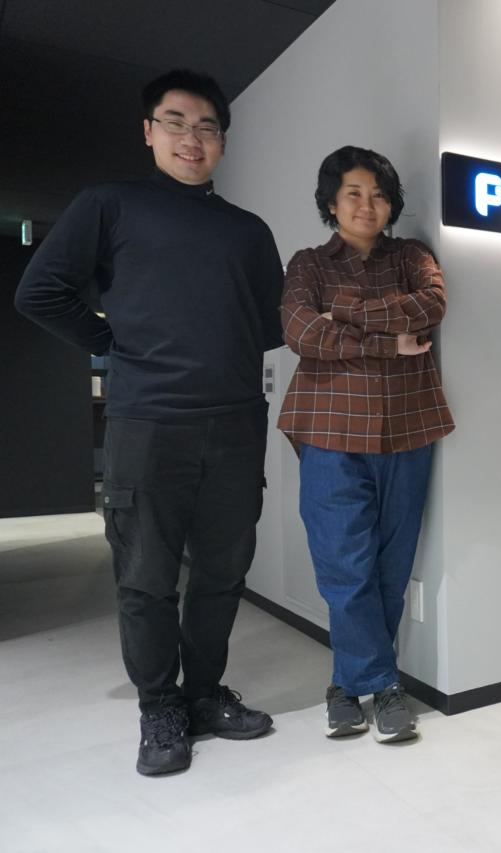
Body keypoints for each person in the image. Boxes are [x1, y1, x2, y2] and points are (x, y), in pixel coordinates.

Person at [14, 69, 283, 775]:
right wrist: (114, 342)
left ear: (222, 141)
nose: (191, 138)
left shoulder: (248, 231)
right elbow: (39, 292)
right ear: (148, 131)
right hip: (148, 424)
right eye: (175, 122)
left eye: (206, 127)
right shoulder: (110, 205)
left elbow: (269, 324)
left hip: (236, 423)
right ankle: (159, 706)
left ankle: (204, 694)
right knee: (146, 577)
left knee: (224, 571)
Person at [278, 146, 453, 740]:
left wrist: (345, 312)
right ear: (332, 203)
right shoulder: (308, 263)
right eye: (353, 193)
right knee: (343, 563)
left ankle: (345, 686)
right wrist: (384, 341)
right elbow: (301, 330)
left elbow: (432, 305)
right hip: (328, 428)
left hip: (408, 427)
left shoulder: (412, 256)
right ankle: (383, 684)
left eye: (378, 194)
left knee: (390, 564)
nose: (367, 205)